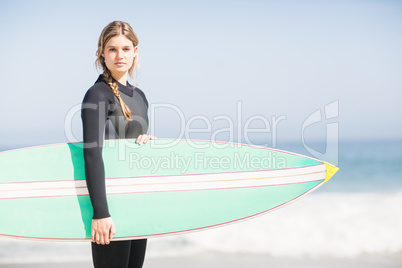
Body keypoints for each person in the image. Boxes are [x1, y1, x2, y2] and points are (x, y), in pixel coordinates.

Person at [81, 21, 154, 268]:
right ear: (102, 52)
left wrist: (146, 144)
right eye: (112, 49)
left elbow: (130, 151)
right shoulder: (98, 94)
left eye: (125, 48)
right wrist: (100, 213)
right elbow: (92, 155)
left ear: (136, 51)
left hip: (137, 205)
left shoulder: (140, 96)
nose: (119, 55)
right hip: (110, 209)